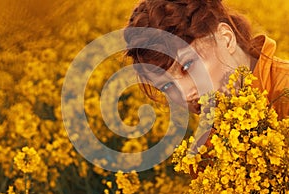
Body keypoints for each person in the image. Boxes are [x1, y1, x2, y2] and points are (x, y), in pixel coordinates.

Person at [123, 0, 289, 120]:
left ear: (226, 38)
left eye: (187, 66)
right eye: (167, 86)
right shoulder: (210, 145)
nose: (185, 95)